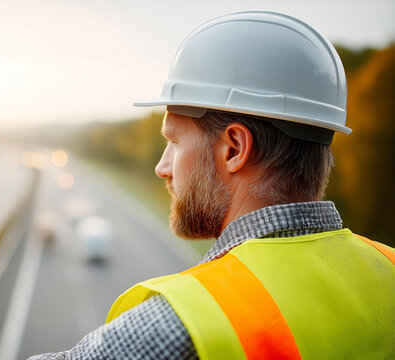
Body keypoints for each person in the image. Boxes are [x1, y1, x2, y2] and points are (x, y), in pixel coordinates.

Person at [30, 11, 395, 359]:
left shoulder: (178, 324)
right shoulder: (388, 269)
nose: (162, 167)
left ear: (234, 148)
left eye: (174, 142)